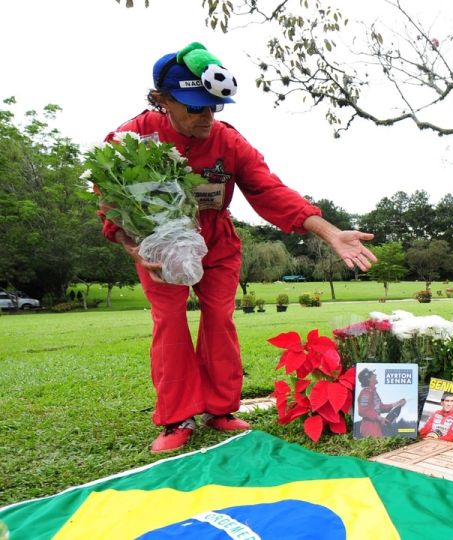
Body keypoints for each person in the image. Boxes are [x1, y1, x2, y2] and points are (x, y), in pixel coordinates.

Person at [97, 43, 378, 453]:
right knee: (170, 320)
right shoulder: (130, 138)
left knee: (219, 319)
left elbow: (270, 190)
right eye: (194, 108)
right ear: (162, 101)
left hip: (217, 239)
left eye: (213, 107)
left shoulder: (228, 142)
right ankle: (176, 418)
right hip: (158, 244)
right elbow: (108, 198)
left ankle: (220, 409)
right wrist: (131, 246)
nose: (207, 117)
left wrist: (330, 232)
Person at [357, 369, 408, 437]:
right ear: (369, 378)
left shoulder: (373, 392)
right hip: (369, 427)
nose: (375, 375)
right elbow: (362, 411)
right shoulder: (365, 393)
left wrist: (397, 403)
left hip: (376, 425)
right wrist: (379, 418)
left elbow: (380, 407)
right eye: (373, 374)